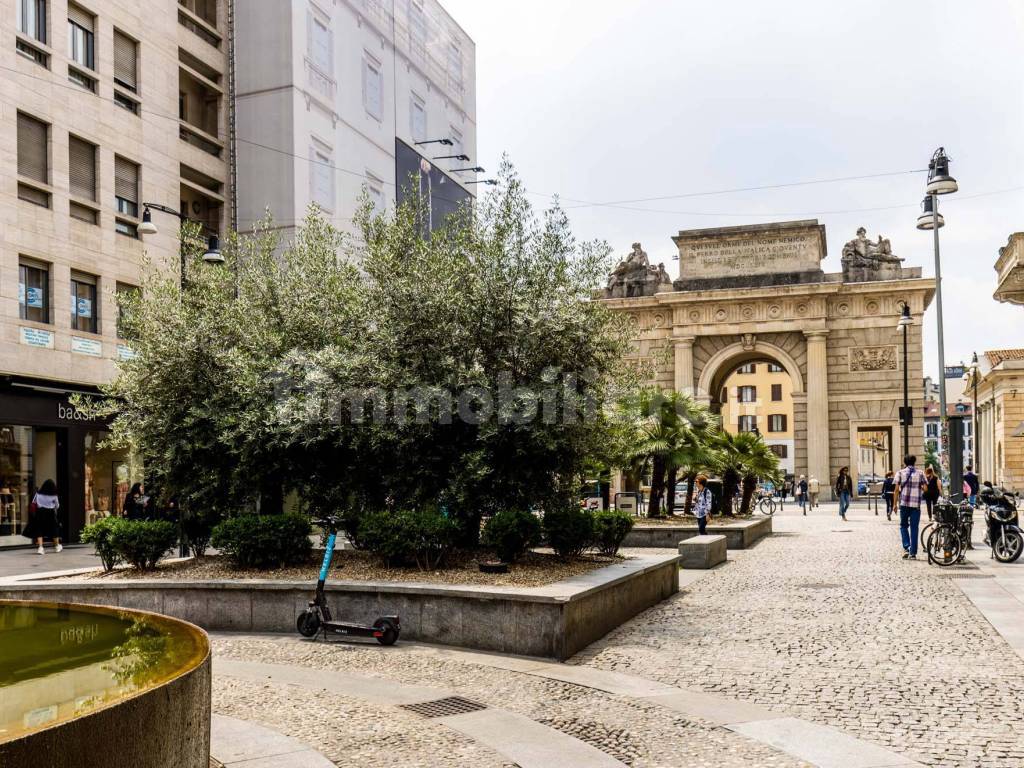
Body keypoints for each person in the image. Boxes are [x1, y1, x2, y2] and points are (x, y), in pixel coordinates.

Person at [895, 455, 927, 560]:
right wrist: (919, 487)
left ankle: (906, 547)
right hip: (915, 505)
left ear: (905, 462)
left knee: (903, 526)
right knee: (914, 528)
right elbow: (925, 488)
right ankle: (913, 553)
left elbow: (896, 490)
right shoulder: (921, 473)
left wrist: (894, 504)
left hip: (904, 504)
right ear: (914, 462)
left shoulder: (900, 473)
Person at [25, 479, 61, 555]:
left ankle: (41, 548)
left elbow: (33, 502)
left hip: (40, 512)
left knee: (39, 529)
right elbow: (57, 506)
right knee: (54, 529)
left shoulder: (38, 494)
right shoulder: (54, 496)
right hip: (50, 513)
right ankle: (57, 546)